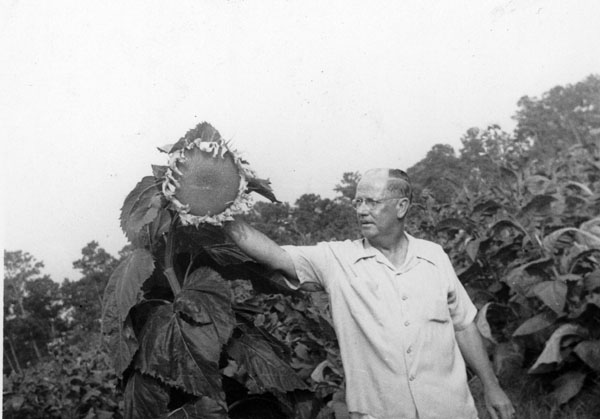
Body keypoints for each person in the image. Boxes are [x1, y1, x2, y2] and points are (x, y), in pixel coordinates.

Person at [224, 168, 515, 419]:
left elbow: (463, 324)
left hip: (450, 409)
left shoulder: (434, 257)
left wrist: (492, 386)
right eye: (358, 201)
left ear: (401, 207)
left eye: (372, 202)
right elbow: (276, 257)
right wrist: (219, 207)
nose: (361, 210)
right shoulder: (337, 260)